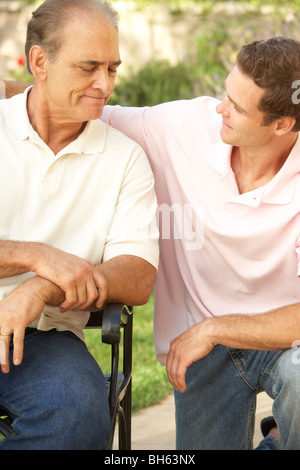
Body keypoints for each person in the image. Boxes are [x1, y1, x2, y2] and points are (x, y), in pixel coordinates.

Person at [3, 36, 300, 450]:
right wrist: (9, 90)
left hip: (281, 340)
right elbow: (71, 105)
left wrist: (216, 327)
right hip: (204, 353)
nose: (220, 107)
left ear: (282, 125)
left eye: (236, 106)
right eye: (225, 93)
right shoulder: (189, 127)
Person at [0, 0, 158, 450]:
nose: (104, 85)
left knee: (79, 414)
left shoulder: (126, 158)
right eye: (89, 67)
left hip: (42, 340)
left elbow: (138, 273)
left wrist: (42, 288)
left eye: (112, 68)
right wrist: (37, 256)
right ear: (39, 62)